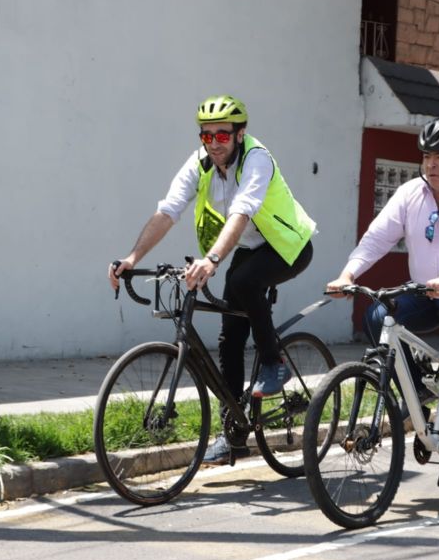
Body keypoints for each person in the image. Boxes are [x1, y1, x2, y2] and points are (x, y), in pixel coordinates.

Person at [108, 95, 316, 465]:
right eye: (207, 136)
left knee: (245, 283)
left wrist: (212, 259)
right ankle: (234, 434)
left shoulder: (257, 159)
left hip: (289, 245)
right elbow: (168, 210)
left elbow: (241, 213)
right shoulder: (200, 163)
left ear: (240, 133)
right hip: (250, 248)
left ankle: (274, 363)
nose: (215, 143)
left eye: (223, 135)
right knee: (229, 338)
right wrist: (132, 257)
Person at [326, 115, 439, 489]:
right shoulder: (410, 194)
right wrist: (348, 274)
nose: (430, 165)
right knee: (377, 316)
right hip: (428, 292)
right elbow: (378, 237)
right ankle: (418, 390)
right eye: (426, 156)